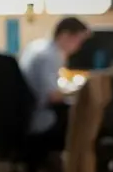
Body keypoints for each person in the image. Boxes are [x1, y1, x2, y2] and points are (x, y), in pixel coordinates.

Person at [17, 16, 90, 150]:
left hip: (22, 114)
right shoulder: (51, 56)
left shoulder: (37, 46)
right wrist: (81, 90)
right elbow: (53, 96)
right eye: (78, 42)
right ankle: (74, 168)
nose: (78, 48)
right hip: (38, 116)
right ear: (65, 35)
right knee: (84, 122)